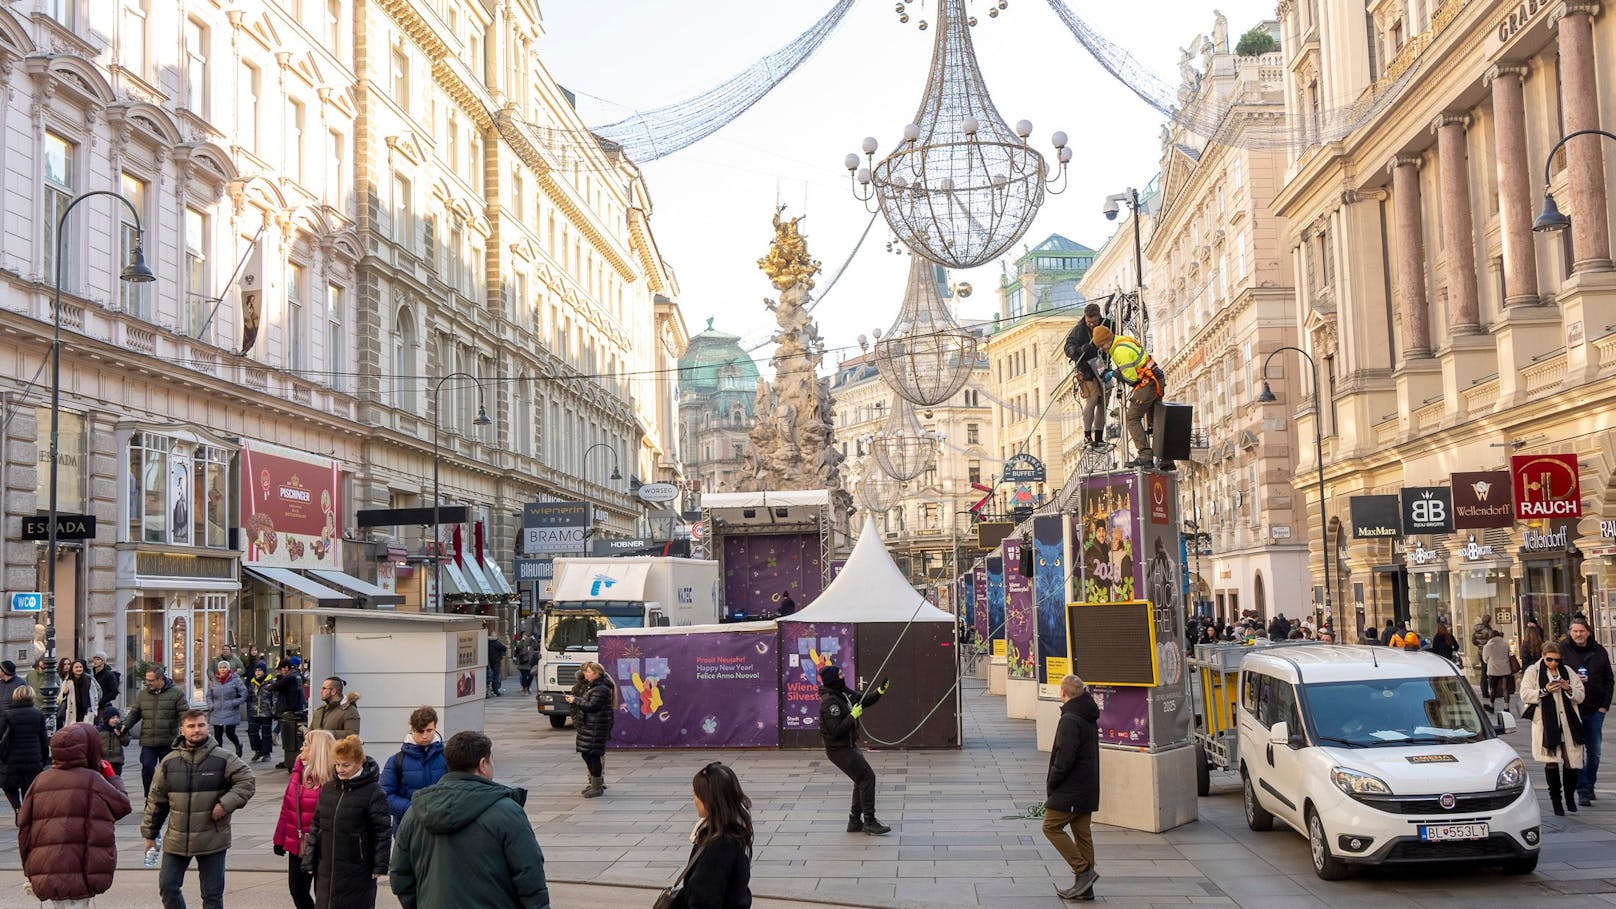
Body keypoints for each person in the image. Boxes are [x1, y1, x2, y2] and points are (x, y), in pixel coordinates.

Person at [389, 730, 550, 909]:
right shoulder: (507, 812)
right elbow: (529, 875)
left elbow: (399, 875)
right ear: (483, 764)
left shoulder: (415, 812)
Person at [142, 708, 257, 909]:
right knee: (168, 887)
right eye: (191, 726)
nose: (197, 730)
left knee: (212, 896)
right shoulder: (169, 762)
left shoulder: (223, 758)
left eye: (201, 725)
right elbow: (156, 801)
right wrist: (150, 835)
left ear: (208, 727)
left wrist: (225, 804)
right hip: (177, 839)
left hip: (212, 838)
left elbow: (247, 781)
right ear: (182, 730)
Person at [17, 723, 132, 907]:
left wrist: (28, 867)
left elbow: (24, 828)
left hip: (46, 866)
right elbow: (122, 806)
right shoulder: (92, 780)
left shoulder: (40, 780)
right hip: (82, 865)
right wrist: (111, 777)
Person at [303, 735, 391, 909]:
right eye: (337, 764)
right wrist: (309, 858)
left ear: (359, 763)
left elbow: (382, 831)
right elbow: (316, 826)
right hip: (327, 866)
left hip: (357, 868)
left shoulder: (373, 791)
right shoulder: (328, 789)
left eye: (346, 765)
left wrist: (380, 864)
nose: (340, 769)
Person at [817, 664, 892, 835]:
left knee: (861, 778)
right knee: (867, 777)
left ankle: (854, 821)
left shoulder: (843, 692)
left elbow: (863, 699)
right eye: (840, 674)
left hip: (848, 745)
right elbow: (835, 731)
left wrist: (879, 691)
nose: (843, 675)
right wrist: (852, 717)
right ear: (833, 679)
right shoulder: (829, 702)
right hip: (838, 749)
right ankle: (870, 821)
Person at [1045, 675, 1101, 901]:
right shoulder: (1088, 714)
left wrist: (1052, 782)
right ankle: (1085, 889)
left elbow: (1064, 757)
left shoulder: (1069, 719)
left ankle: (1083, 871)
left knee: (1050, 827)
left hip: (1071, 787)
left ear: (1063, 693)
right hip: (1087, 785)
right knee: (1082, 833)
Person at [671, 761, 754, 909]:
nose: (694, 799)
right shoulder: (731, 831)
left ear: (710, 799)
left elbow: (704, 899)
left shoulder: (720, 844)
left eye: (697, 793)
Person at [1521, 642, 1587, 816]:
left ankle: (1570, 796)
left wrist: (1568, 687)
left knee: (1570, 760)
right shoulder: (1533, 671)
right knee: (1551, 761)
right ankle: (1556, 801)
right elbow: (1525, 694)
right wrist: (1544, 690)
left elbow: (1580, 696)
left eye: (1557, 660)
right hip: (1546, 724)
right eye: (1549, 659)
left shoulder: (1568, 672)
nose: (1553, 664)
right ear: (1543, 657)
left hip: (1568, 723)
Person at [273, 730, 337, 909]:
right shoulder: (298, 771)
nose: (301, 747)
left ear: (317, 749)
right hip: (299, 843)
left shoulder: (334, 779)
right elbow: (287, 807)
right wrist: (279, 839)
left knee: (324, 895)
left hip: (324, 845)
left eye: (306, 744)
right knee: (297, 890)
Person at [1091, 325, 1168, 469]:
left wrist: (1113, 374)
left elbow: (1131, 378)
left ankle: (1145, 456)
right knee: (1154, 420)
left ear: (1107, 341)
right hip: (1155, 378)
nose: (1102, 349)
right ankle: (1167, 460)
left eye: (1101, 345)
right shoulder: (1122, 341)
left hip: (1148, 383)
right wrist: (1115, 371)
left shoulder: (1119, 351)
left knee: (1132, 418)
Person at [1562, 617, 1612, 807]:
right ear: (1570, 633)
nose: (1578, 634)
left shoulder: (1599, 651)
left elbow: (1609, 680)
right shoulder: (1564, 651)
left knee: (1595, 751)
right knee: (1576, 750)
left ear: (1588, 632)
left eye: (1581, 631)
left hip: (1595, 709)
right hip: (1573, 708)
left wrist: (1604, 706)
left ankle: (1590, 783)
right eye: (1575, 631)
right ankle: (1582, 789)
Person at [123, 664, 189, 797]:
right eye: (146, 680)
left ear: (161, 679)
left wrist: (186, 730)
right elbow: (135, 713)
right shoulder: (143, 694)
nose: (147, 683)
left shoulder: (176, 693)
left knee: (167, 772)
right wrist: (125, 725)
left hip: (168, 741)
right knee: (147, 768)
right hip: (148, 741)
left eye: (151, 680)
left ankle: (166, 797)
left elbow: (184, 713)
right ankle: (149, 796)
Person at [380, 705, 447, 833]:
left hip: (441, 825)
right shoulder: (396, 760)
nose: (425, 736)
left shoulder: (447, 757)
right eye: (420, 731)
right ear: (412, 730)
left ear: (435, 728)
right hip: (408, 828)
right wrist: (412, 809)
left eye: (429, 730)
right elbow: (384, 795)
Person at [1062, 303, 1115, 447]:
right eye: (1089, 322)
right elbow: (1068, 347)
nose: (1091, 325)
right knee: (1092, 398)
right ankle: (1087, 436)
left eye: (1094, 322)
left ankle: (1099, 436)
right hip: (1085, 367)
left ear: (1099, 316)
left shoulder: (1107, 324)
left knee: (1103, 400)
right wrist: (1079, 349)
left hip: (1100, 363)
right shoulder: (1079, 329)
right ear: (1085, 318)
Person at [566, 661, 614, 798]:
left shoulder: (601, 688)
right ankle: (594, 784)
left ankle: (597, 786)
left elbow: (592, 705)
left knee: (592, 755)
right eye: (584, 671)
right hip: (590, 726)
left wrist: (575, 700)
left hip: (596, 727)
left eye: (588, 671)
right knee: (586, 754)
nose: (585, 674)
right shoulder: (594, 686)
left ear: (596, 673)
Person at [0, 686, 51, 815]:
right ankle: (26, 813)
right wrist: (44, 758)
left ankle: (18, 808)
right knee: (28, 788)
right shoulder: (38, 714)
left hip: (11, 759)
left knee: (8, 786)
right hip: (33, 758)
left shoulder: (7, 714)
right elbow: (44, 740)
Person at [268, 659, 309, 770]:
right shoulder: (297, 675)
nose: (280, 672)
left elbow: (274, 687)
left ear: (286, 668)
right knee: (291, 739)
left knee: (289, 739)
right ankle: (289, 759)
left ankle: (290, 761)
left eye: (280, 670)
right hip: (297, 709)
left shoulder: (289, 677)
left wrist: (274, 682)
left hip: (290, 710)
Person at [206, 661, 248, 757]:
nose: (222, 669)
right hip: (217, 710)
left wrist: (234, 702)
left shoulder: (235, 680)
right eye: (220, 667)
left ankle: (238, 745)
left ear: (228, 669)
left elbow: (244, 693)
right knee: (217, 734)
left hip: (230, 709)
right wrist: (211, 705)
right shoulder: (214, 681)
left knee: (230, 733)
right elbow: (209, 695)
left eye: (225, 667)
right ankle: (219, 754)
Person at [247, 664, 278, 763]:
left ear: (264, 671)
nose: (257, 672)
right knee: (252, 732)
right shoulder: (252, 682)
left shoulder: (270, 682)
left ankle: (266, 753)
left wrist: (274, 710)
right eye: (256, 670)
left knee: (266, 734)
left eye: (260, 670)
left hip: (266, 712)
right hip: (254, 711)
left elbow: (275, 697)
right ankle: (258, 750)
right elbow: (249, 695)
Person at [1482, 630, 1515, 714]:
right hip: (1505, 668)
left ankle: (1491, 706)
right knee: (1505, 689)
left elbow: (1485, 660)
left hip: (1493, 670)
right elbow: (1509, 654)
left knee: (1493, 689)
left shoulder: (1488, 646)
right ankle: (1506, 707)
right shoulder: (1505, 644)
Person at [60, 659, 100, 727]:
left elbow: (95, 696)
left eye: (80, 667)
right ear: (72, 670)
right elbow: (59, 699)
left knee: (86, 732)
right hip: (72, 712)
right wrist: (64, 693)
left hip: (86, 711)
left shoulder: (89, 680)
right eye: (76, 667)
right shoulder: (67, 682)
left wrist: (95, 711)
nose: (79, 669)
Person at [100, 706, 132, 778]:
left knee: (115, 780)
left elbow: (126, 742)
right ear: (107, 719)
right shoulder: (100, 730)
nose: (115, 720)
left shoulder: (121, 729)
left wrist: (121, 734)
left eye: (117, 717)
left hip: (116, 761)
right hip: (103, 762)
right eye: (112, 718)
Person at [90, 652, 120, 717]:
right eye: (94, 659)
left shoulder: (109, 674)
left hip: (104, 707)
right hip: (92, 706)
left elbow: (114, 692)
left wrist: (101, 701)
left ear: (103, 661)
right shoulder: (91, 674)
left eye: (98, 659)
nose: (95, 661)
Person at [487, 631, 509, 698]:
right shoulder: (496, 642)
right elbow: (504, 648)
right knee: (496, 676)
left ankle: (493, 690)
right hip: (496, 661)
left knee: (493, 675)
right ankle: (496, 690)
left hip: (490, 661)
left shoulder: (488, 642)